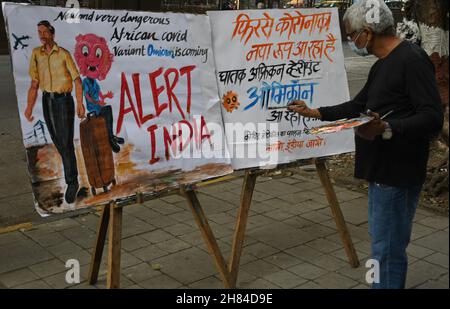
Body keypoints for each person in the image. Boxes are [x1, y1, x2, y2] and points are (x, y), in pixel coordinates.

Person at [288, 0, 444, 289]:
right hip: (382, 172)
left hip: (396, 172)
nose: (351, 41)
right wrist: (317, 112)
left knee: (386, 249)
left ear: (368, 32)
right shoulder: (383, 64)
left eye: (351, 34)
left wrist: (387, 127)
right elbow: (359, 104)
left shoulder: (411, 59)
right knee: (384, 243)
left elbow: (432, 117)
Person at [25, 20, 85, 204]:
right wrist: (28, 107)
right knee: (58, 141)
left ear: (52, 33)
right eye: (39, 32)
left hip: (63, 101)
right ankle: (72, 177)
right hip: (47, 101)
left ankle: (72, 182)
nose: (42, 35)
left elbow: (77, 79)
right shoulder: (36, 54)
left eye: (45, 32)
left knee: (66, 142)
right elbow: (34, 84)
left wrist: (80, 104)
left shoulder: (63, 54)